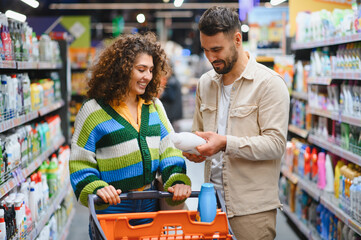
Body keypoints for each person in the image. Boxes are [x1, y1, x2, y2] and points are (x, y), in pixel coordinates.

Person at [183, 7, 290, 240]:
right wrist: (195, 149)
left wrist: (224, 143)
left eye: (217, 49)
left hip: (251, 210)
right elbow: (198, 132)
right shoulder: (205, 83)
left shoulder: (269, 84)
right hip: (210, 202)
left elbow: (275, 144)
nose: (211, 58)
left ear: (237, 39)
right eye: (205, 50)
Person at [69, 32, 192, 232]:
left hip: (151, 202)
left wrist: (176, 179)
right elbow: (80, 162)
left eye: (151, 70)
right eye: (141, 69)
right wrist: (96, 188)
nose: (148, 77)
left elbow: (170, 148)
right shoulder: (93, 111)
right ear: (122, 70)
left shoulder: (154, 106)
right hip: (113, 209)